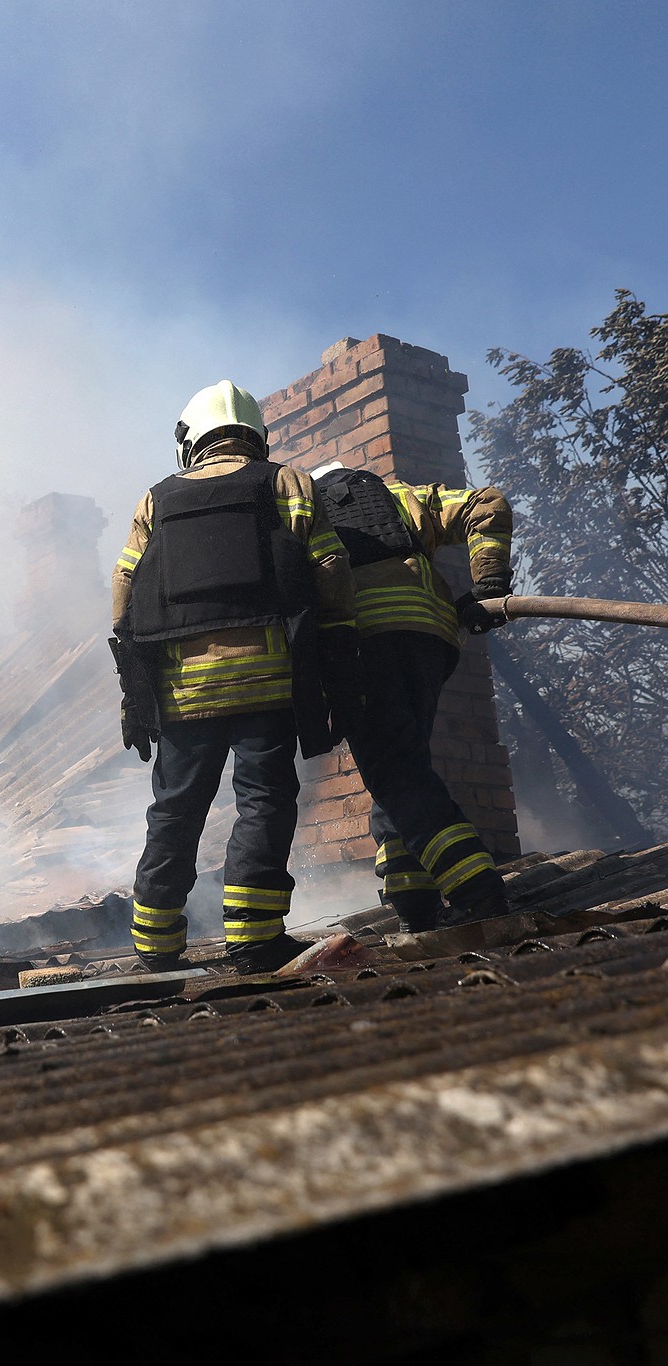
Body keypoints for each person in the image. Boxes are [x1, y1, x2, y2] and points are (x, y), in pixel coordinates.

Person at [112, 381, 359, 974]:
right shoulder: (286, 482)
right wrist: (338, 647)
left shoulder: (155, 500)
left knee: (175, 809)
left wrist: (136, 689)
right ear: (255, 435)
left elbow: (124, 589)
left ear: (191, 440)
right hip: (267, 682)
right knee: (264, 801)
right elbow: (329, 567)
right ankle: (254, 937)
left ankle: (155, 943)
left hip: (184, 689)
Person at [310, 462, 513, 932]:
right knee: (403, 765)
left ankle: (475, 887)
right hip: (429, 640)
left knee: (395, 775)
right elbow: (487, 503)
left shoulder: (306, 514)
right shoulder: (402, 496)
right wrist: (488, 584)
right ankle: (414, 901)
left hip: (363, 642)